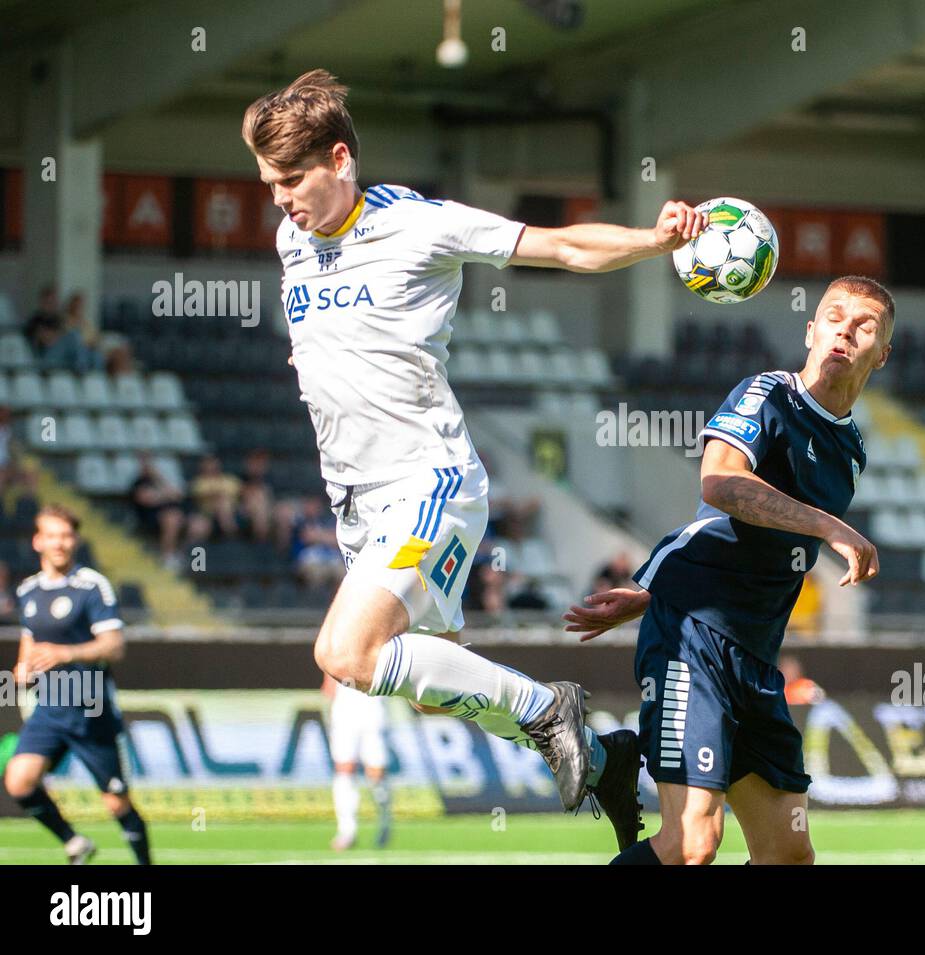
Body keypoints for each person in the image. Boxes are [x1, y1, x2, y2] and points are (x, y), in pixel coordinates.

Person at [241, 68, 699, 845]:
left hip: (427, 484)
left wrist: (655, 239)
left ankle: (549, 709)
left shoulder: (420, 224)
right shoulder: (294, 238)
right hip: (357, 503)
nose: (279, 198)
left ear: (341, 159)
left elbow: (559, 247)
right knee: (427, 682)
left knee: (346, 653)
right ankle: (603, 756)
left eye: (290, 179)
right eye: (268, 182)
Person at [565, 276, 890, 864]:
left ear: (880, 353)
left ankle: (618, 755)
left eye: (863, 324)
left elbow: (758, 543)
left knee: (788, 853)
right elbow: (720, 484)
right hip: (695, 639)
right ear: (811, 331)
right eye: (833, 316)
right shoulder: (768, 394)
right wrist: (828, 525)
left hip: (755, 657)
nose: (845, 328)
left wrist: (648, 593)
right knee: (692, 843)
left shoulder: (851, 450)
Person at [2, 504, 151, 864]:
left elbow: (114, 646)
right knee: (18, 782)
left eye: (67, 535)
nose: (60, 543)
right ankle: (74, 842)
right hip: (49, 708)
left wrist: (64, 654)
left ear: (76, 540)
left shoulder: (91, 587)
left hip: (91, 710)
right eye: (52, 535)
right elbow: (30, 638)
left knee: (116, 803)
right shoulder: (28, 591)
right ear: (38, 541)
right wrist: (23, 665)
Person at [323, 675, 393, 851]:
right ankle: (347, 831)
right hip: (344, 712)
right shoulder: (335, 647)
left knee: (376, 774)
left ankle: (384, 822)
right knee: (344, 769)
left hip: (373, 709)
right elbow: (329, 678)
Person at [128, 452, 191, 569]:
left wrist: (159, 480)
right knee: (171, 518)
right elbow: (146, 499)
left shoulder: (159, 480)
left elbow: (177, 494)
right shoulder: (139, 482)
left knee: (196, 523)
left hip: (174, 514)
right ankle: (167, 556)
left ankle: (194, 559)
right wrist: (165, 494)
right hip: (150, 518)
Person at [188, 454, 242, 541]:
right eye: (207, 463)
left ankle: (233, 542)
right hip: (205, 515)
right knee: (197, 527)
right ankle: (195, 553)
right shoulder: (198, 481)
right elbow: (198, 495)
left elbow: (242, 492)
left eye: (213, 462)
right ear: (202, 465)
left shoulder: (229, 479)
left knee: (223, 505)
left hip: (232, 512)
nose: (210, 466)